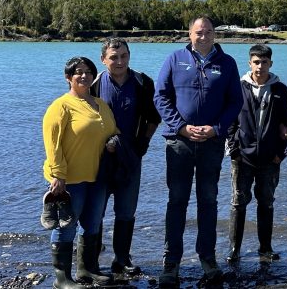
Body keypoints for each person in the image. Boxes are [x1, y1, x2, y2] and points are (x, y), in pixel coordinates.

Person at [154, 16, 244, 287]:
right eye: (198, 32)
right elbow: (160, 96)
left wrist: (217, 128)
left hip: (212, 143)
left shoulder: (226, 64)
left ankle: (207, 258)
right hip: (178, 143)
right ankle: (171, 262)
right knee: (177, 201)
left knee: (208, 200)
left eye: (208, 32)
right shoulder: (174, 58)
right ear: (189, 34)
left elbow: (235, 102)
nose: (203, 36)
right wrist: (180, 127)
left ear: (215, 34)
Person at [42, 56, 119, 288]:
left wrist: (114, 140)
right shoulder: (60, 106)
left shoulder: (100, 104)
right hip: (70, 179)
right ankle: (62, 278)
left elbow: (113, 130)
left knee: (92, 224)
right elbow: (52, 144)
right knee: (66, 226)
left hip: (98, 177)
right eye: (78, 72)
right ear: (68, 78)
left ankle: (88, 269)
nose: (83, 75)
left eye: (88, 71)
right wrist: (57, 176)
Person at [91, 38, 161, 277]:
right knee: (95, 210)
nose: (119, 61)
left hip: (131, 157)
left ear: (129, 56)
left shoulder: (143, 82)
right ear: (103, 60)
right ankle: (91, 260)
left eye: (123, 56)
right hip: (99, 159)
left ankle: (121, 259)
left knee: (126, 210)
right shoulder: (94, 83)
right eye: (113, 57)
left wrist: (143, 143)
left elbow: (154, 117)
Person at [225, 44, 287, 263]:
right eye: (256, 62)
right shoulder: (238, 87)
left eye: (264, 62)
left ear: (270, 63)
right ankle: (234, 250)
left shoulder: (280, 90)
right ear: (249, 63)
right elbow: (229, 119)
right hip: (242, 158)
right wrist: (233, 149)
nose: (260, 66)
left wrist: (280, 155)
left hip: (270, 159)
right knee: (238, 203)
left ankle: (265, 248)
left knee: (266, 203)